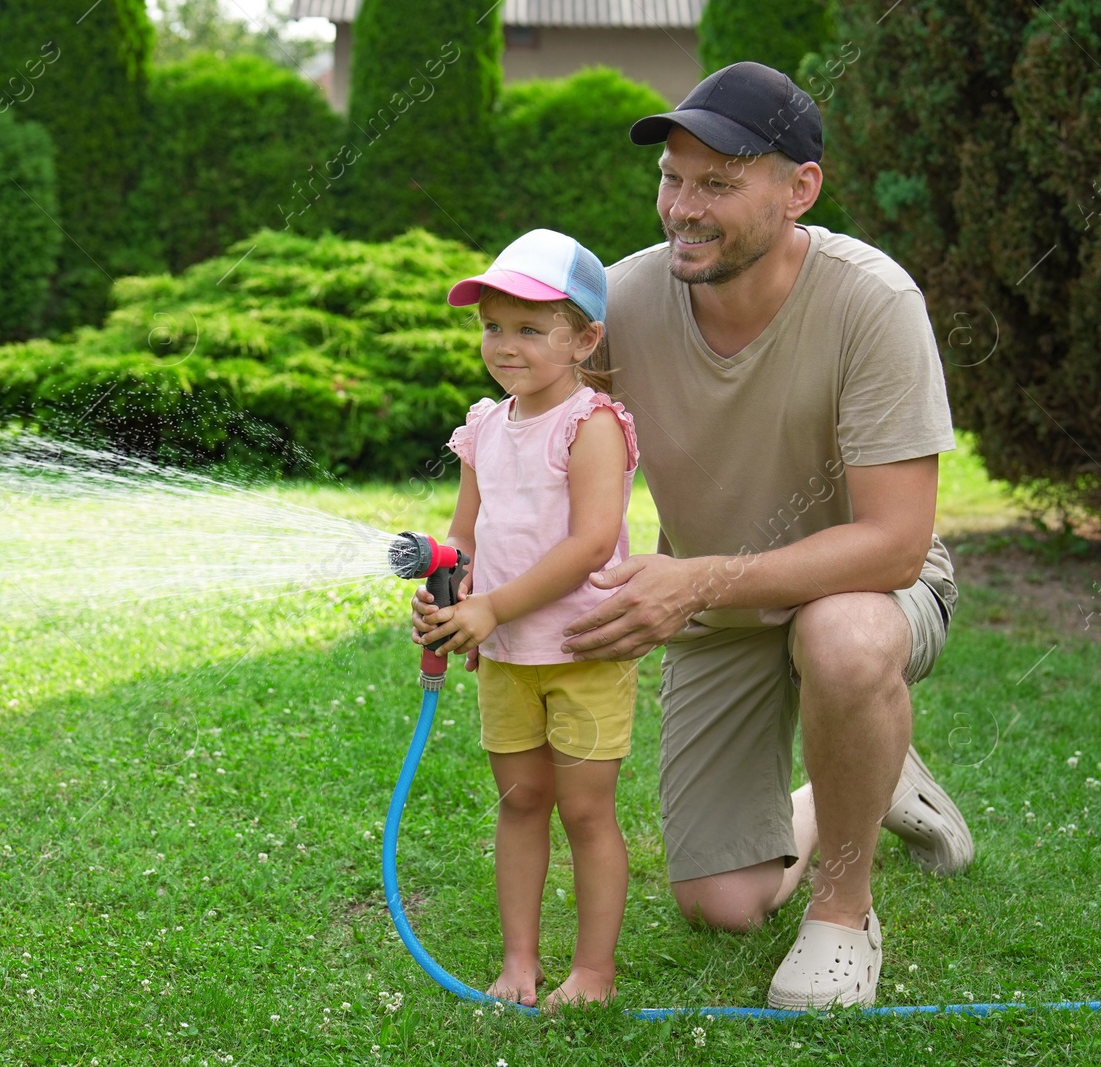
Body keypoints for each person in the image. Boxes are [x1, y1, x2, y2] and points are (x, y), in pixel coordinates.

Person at [559, 61, 974, 1009]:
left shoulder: (872, 301)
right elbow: (553, 456)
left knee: (841, 635)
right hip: (718, 605)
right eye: (671, 176)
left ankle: (844, 913)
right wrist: (484, 568)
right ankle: (863, 774)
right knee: (723, 904)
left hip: (866, 594)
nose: (681, 208)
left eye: (717, 182)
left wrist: (694, 579)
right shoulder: (621, 305)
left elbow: (896, 544)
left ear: (800, 189)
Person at [413, 228, 641, 1009]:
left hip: (582, 651)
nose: (504, 345)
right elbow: (466, 534)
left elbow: (588, 545)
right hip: (506, 654)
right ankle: (519, 961)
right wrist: (448, 586)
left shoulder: (592, 424)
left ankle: (594, 972)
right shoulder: (484, 426)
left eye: (529, 329)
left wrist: (491, 605)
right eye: (492, 327)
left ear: (584, 338)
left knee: (583, 808)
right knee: (519, 803)